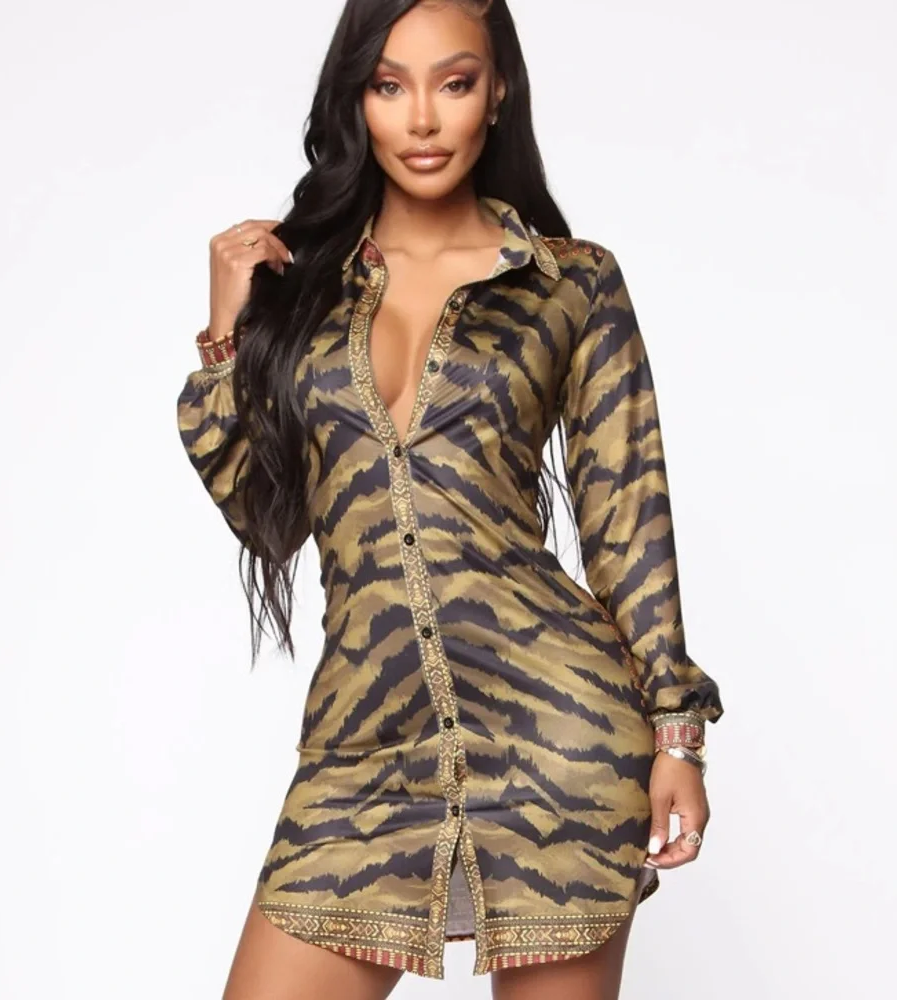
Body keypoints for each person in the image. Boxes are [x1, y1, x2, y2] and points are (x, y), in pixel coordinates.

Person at [176, 1, 724, 997]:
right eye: (389, 85)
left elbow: (628, 520)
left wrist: (676, 735)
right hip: (362, 750)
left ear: (496, 92)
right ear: (356, 100)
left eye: (454, 82)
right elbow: (268, 518)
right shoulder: (304, 288)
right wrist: (227, 338)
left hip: (560, 742)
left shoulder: (569, 284)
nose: (422, 118)